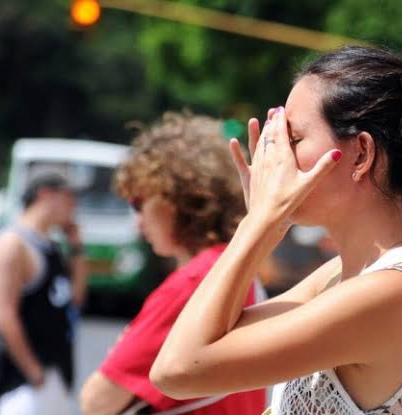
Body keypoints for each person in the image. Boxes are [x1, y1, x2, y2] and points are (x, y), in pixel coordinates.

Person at [149, 46, 402, 415]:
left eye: (292, 139)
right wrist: (266, 221)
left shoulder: (389, 293)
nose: (274, 155)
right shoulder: (339, 277)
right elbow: (215, 336)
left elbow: (178, 370)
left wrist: (260, 223)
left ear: (361, 154)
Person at [79, 112, 266, 415]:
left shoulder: (194, 283)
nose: (138, 221)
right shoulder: (237, 268)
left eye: (139, 202)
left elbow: (97, 401)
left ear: (177, 197)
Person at [0, 173, 87, 415]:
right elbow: (3, 315)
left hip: (55, 371)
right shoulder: (12, 244)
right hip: (20, 382)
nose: (74, 206)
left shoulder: (50, 245)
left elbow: (76, 299)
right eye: (69, 197)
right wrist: (34, 372)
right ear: (45, 195)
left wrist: (77, 247)